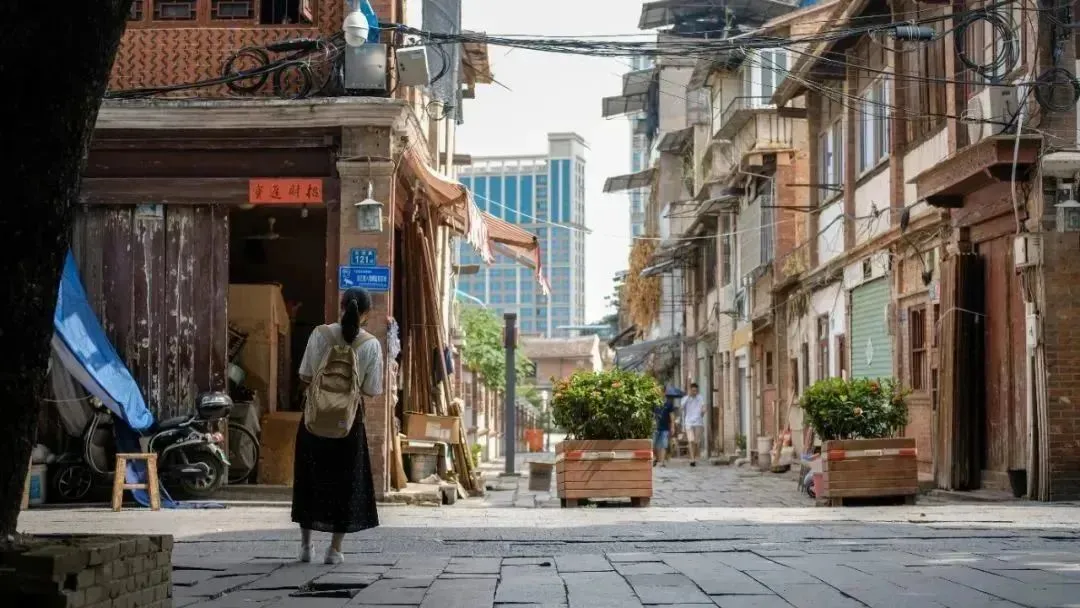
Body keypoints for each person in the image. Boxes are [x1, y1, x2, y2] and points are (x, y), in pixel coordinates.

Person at [292, 287, 384, 565]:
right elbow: (372, 389)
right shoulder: (371, 344)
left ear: (341, 306)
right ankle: (334, 550)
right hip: (349, 422)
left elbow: (305, 374)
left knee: (309, 479)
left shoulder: (320, 334)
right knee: (346, 483)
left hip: (314, 418)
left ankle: (306, 547)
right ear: (367, 313)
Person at [681, 383, 706, 467]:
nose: (694, 392)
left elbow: (703, 406)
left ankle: (693, 457)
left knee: (696, 442)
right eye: (693, 391)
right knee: (691, 440)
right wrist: (688, 396)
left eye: (696, 391)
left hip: (698, 422)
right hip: (689, 422)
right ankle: (692, 459)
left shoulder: (700, 398)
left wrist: (703, 411)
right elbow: (682, 407)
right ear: (690, 390)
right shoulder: (685, 398)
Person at [653, 394, 676, 467]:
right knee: (653, 444)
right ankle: (656, 458)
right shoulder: (654, 403)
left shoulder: (669, 404)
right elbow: (652, 415)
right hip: (655, 428)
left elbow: (672, 416)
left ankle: (662, 462)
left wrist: (672, 427)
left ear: (664, 393)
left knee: (664, 445)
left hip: (665, 428)